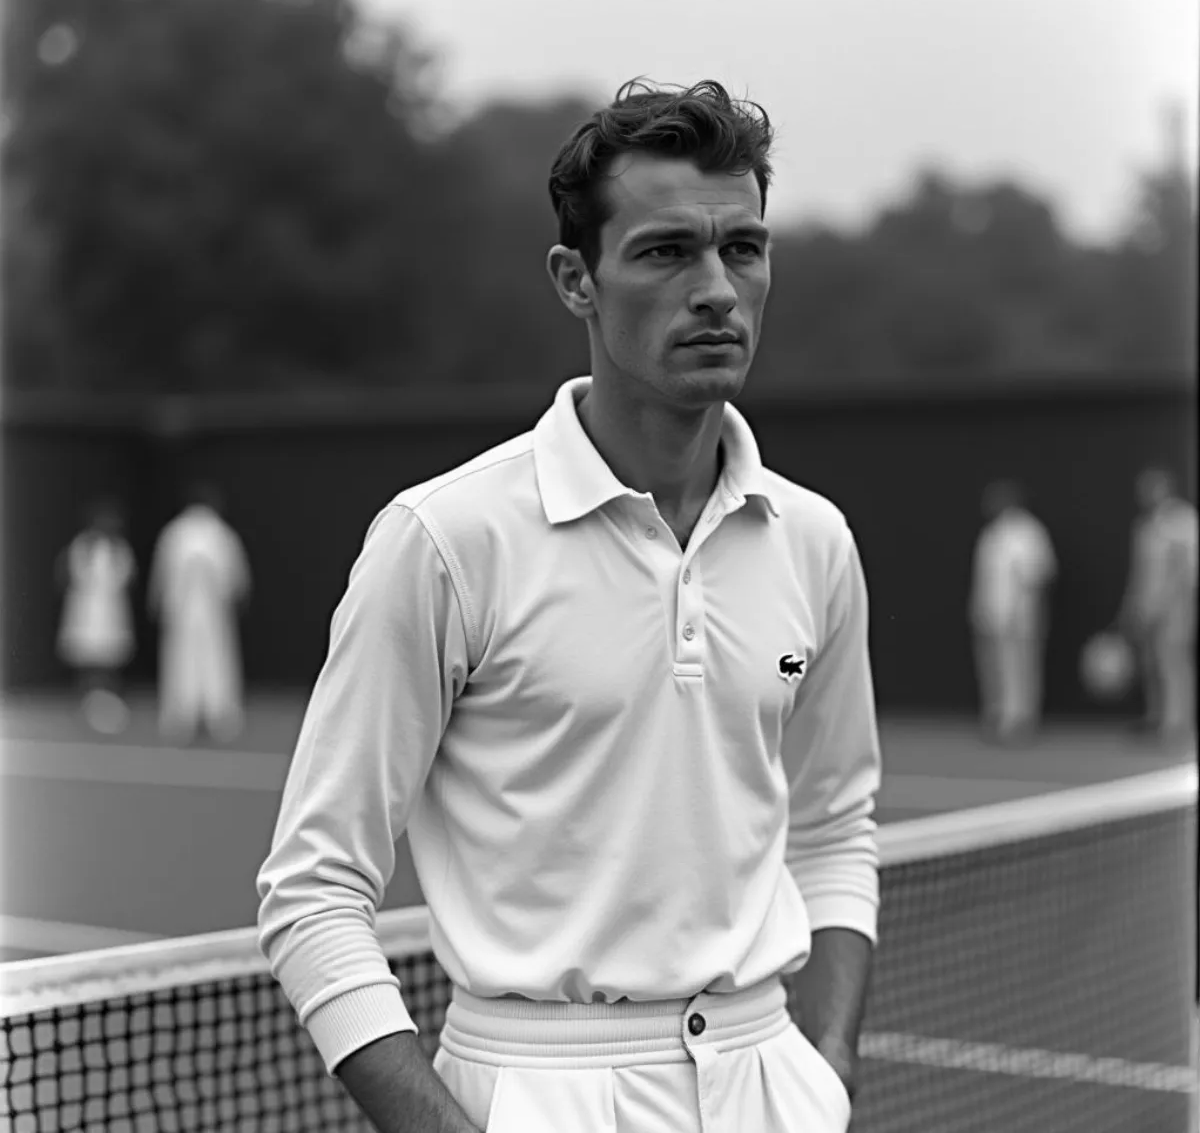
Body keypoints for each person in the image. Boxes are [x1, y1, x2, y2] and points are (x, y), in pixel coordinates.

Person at [257, 79, 881, 1133]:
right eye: (665, 250)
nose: (718, 288)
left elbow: (833, 826)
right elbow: (312, 892)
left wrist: (826, 1067)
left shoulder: (813, 539)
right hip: (536, 1088)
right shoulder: (443, 540)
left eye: (744, 248)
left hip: (772, 1083)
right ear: (575, 280)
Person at [148, 482, 251, 744]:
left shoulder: (175, 532)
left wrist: (157, 601)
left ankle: (183, 717)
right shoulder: (220, 533)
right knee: (216, 658)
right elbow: (237, 578)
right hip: (207, 608)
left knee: (181, 659)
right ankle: (218, 717)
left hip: (189, 607)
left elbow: (160, 576)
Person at [968, 479, 1058, 742]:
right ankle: (997, 715)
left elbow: (1039, 575)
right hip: (990, 612)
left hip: (1021, 616)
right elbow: (984, 578)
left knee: (1021, 668)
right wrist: (979, 608)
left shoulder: (1029, 532)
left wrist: (1023, 611)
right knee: (994, 667)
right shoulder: (991, 534)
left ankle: (1021, 719)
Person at [1116, 466, 1197, 741]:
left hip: (1176, 607)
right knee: (1150, 665)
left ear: (1166, 487)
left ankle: (1177, 725)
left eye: (1152, 487)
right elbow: (1138, 572)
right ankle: (1155, 718)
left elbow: (1187, 569)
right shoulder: (1144, 525)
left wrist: (1167, 603)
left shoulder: (1183, 518)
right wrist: (1131, 607)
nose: (1146, 494)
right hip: (1146, 607)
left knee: (1172, 663)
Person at [55, 498, 137, 735]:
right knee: (86, 659)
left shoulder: (119, 548)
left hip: (112, 610)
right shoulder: (81, 544)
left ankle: (110, 708)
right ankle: (84, 706)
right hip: (86, 608)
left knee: (110, 660)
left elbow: (128, 577)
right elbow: (65, 574)